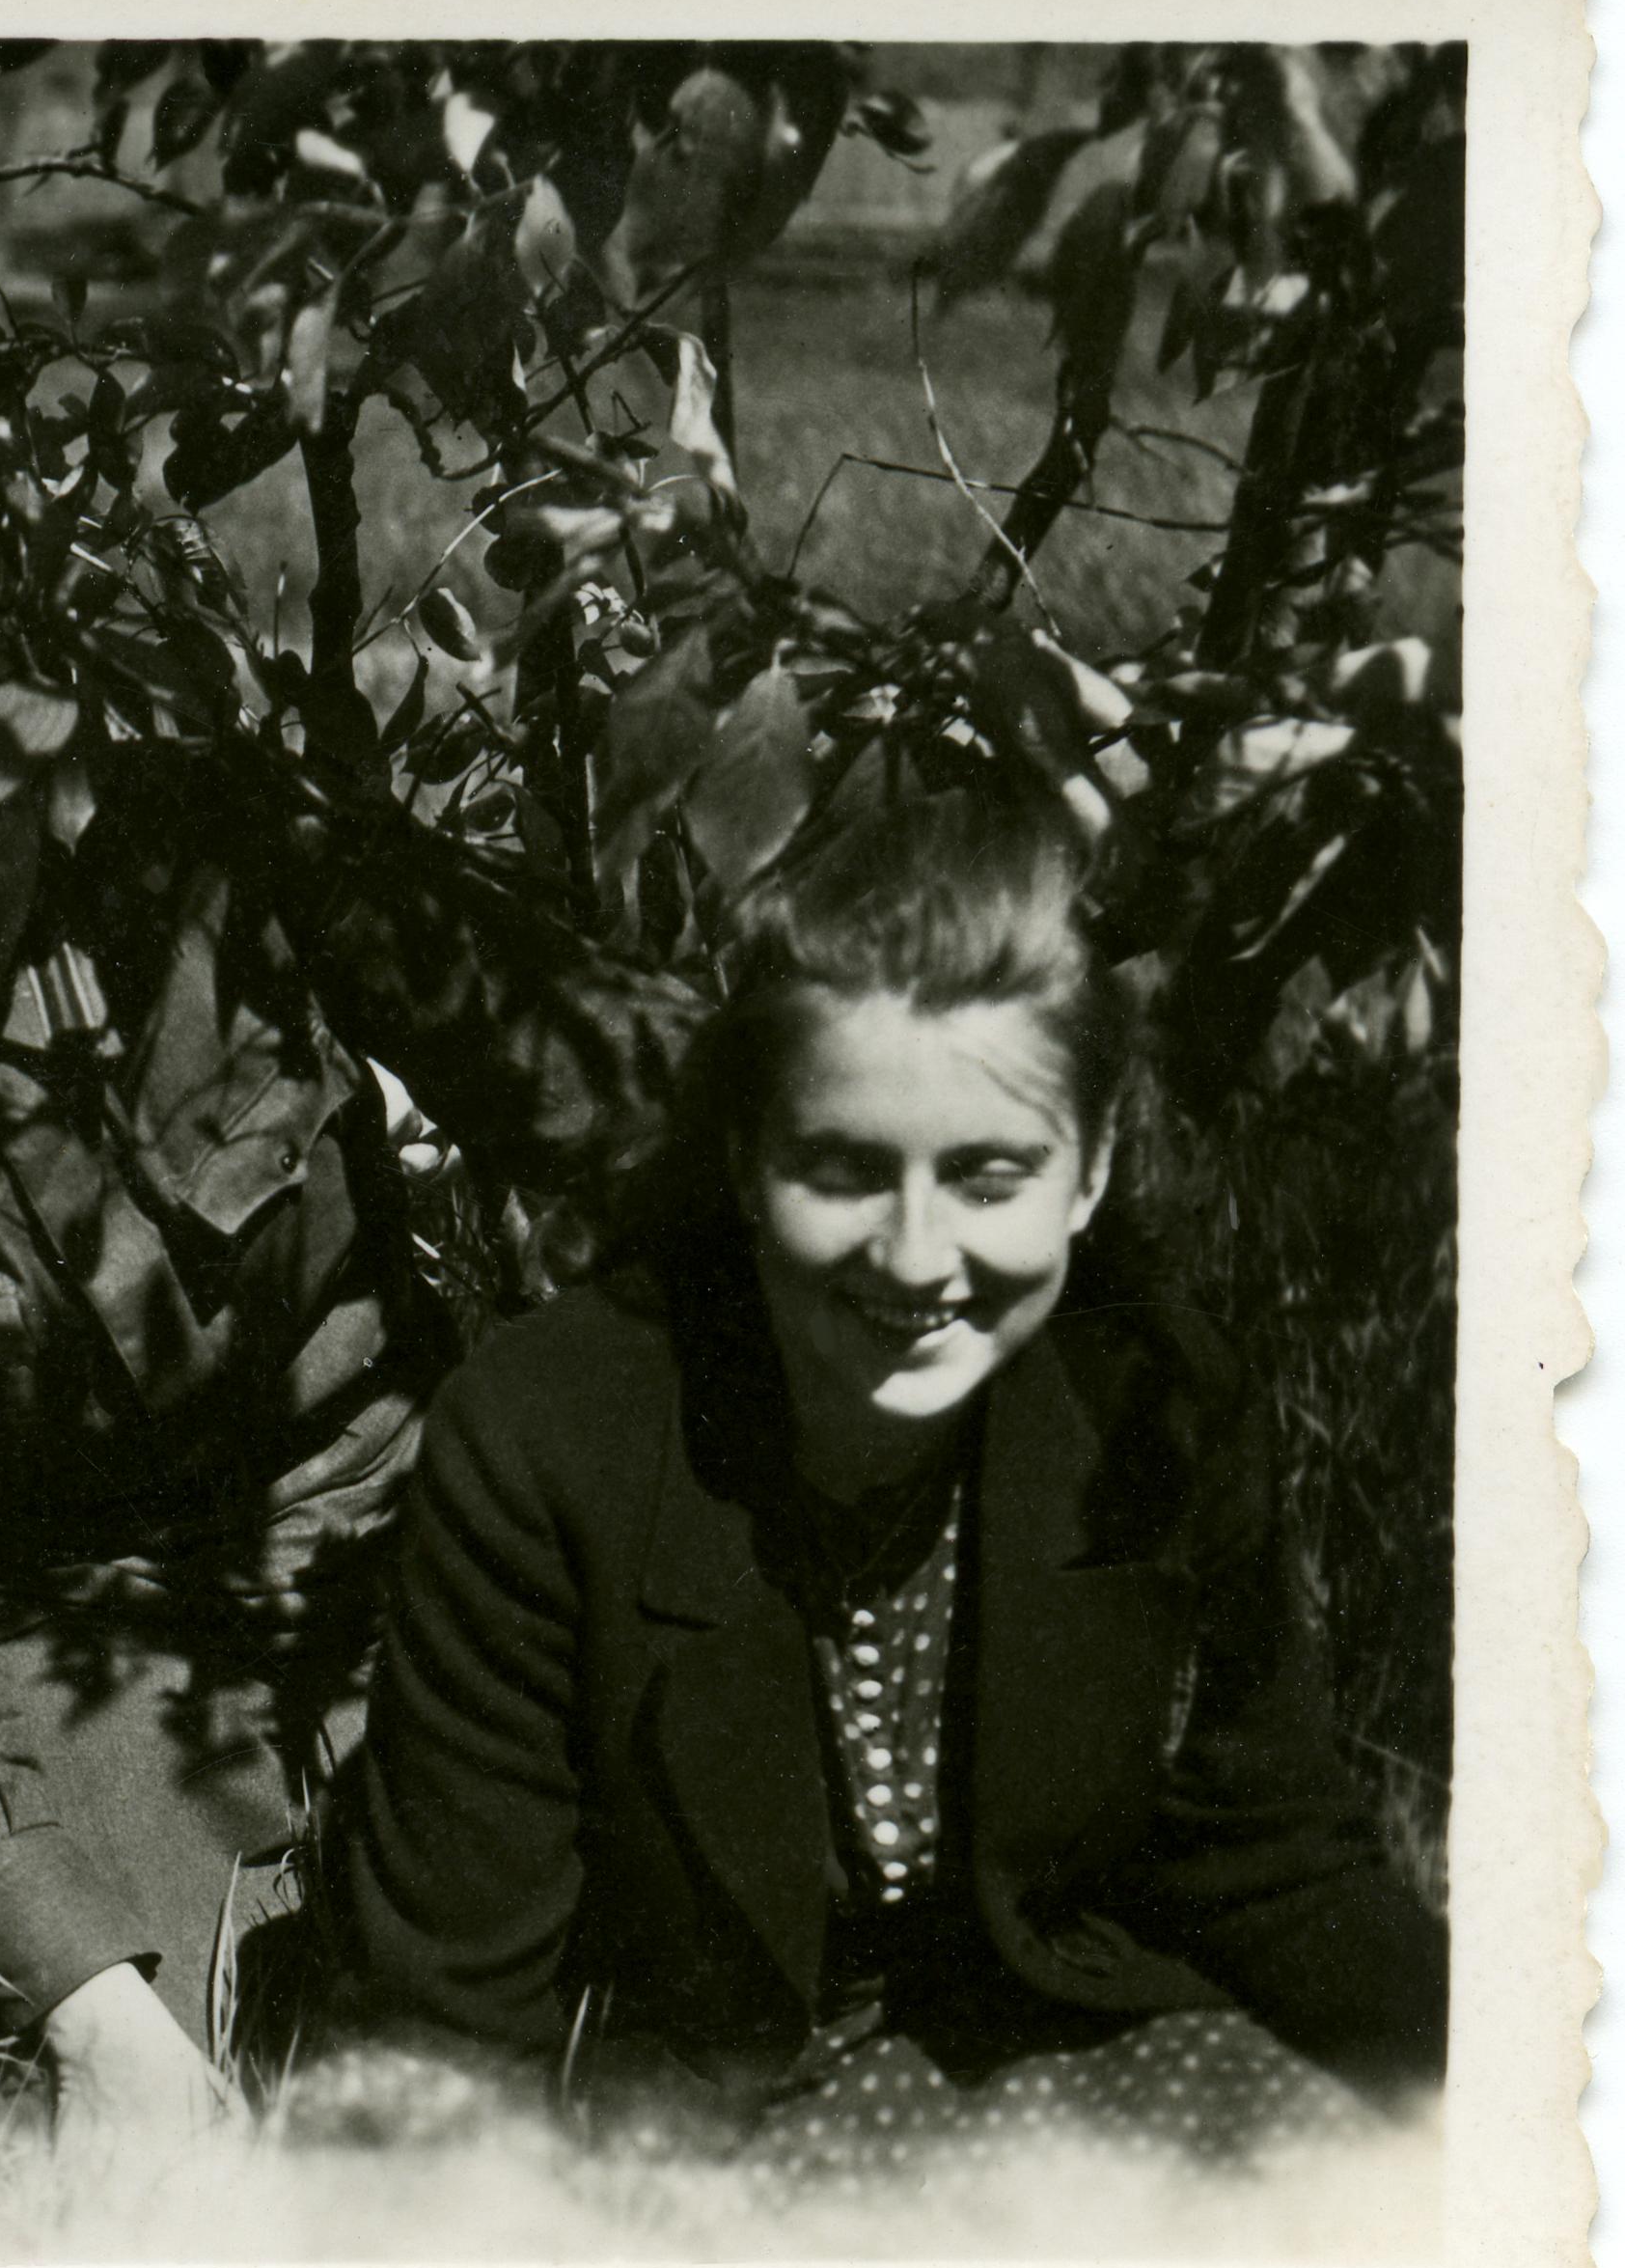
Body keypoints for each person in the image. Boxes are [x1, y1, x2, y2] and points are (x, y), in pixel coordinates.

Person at [0, 496, 691, 2142]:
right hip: (66, 1644)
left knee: (644, 1923)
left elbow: (625, 1093)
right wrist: (88, 2007)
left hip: (414, 1524)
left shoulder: (210, 865)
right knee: (167, 2036)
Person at [317, 787, 1447, 2179]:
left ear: (1090, 1171)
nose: (915, 1258)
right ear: (746, 1160)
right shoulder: (548, 1441)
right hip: (708, 2134)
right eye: (844, 1172)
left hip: (1058, 2049)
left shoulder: (1158, 1403)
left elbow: (1269, 1858)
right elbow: (448, 2019)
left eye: (989, 1178)